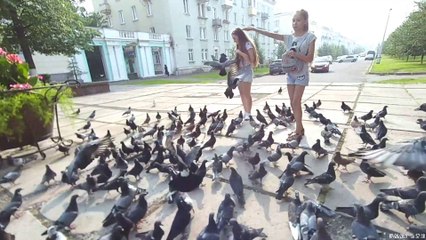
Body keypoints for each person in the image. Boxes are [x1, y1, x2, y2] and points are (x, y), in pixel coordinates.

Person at [244, 9, 316, 141]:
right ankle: (300, 129)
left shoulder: (310, 37)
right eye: (293, 20)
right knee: (292, 103)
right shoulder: (289, 37)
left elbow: (310, 58)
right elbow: (271, 34)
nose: (295, 23)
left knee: (296, 102)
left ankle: (298, 131)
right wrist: (254, 29)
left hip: (301, 74)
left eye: (298, 20)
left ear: (305, 21)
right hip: (290, 74)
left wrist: (296, 55)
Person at [231, 28, 259, 121]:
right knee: (242, 93)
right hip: (240, 71)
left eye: (234, 38)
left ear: (239, 36)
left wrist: (240, 53)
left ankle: (248, 113)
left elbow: (250, 60)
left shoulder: (247, 44)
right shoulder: (239, 46)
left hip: (247, 71)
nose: (234, 40)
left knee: (246, 94)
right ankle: (245, 112)